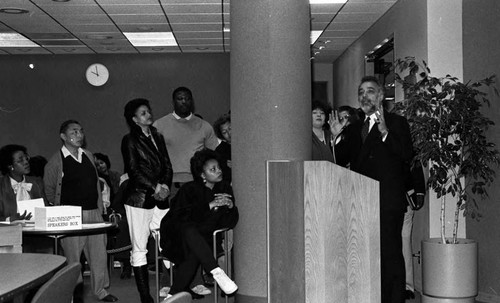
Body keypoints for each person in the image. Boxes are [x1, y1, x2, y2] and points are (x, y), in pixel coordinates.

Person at [331, 76, 413, 303]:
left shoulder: (397, 123)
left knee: (390, 255)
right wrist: (337, 137)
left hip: (387, 201)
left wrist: (385, 132)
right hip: (361, 201)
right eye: (361, 91)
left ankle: (394, 299)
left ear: (380, 96)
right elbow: (341, 161)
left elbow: (406, 155)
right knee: (365, 254)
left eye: (369, 91)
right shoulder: (355, 127)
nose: (364, 95)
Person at [44, 120, 118, 303]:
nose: (79, 135)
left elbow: (95, 185)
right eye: (74, 132)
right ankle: (75, 294)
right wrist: (62, 211)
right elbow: (50, 191)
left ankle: (101, 291)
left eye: (81, 131)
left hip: (94, 213)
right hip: (71, 216)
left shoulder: (88, 155)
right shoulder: (55, 162)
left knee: (99, 255)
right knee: (73, 259)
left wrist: (100, 210)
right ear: (63, 136)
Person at [160, 149, 238, 300]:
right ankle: (216, 271)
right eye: (213, 169)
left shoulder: (225, 189)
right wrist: (210, 205)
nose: (219, 171)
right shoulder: (189, 189)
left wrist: (230, 208)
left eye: (219, 168)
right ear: (202, 175)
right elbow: (180, 217)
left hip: (205, 239)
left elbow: (228, 223)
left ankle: (171, 295)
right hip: (177, 235)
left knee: (195, 250)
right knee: (189, 231)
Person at [121, 98, 173, 303]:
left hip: (161, 198)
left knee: (168, 240)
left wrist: (166, 186)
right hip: (139, 199)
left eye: (148, 111)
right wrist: (155, 187)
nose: (148, 114)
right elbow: (133, 171)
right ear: (134, 119)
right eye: (143, 113)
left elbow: (167, 165)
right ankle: (145, 296)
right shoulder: (129, 140)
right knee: (139, 247)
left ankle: (175, 285)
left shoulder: (158, 136)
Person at [153, 87, 219, 197]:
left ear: (192, 101)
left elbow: (214, 156)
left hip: (197, 182)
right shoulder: (159, 126)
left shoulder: (204, 126)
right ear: (173, 102)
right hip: (170, 184)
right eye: (180, 98)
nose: (184, 101)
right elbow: (152, 156)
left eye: (187, 98)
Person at [0, 144, 47, 221]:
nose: (26, 162)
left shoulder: (37, 182)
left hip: (35, 229)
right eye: (20, 160)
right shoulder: (1, 185)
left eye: (26, 158)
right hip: (8, 231)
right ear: (10, 166)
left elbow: (45, 209)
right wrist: (9, 219)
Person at [402, 160, 426, 300]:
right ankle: (406, 286)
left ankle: (406, 286)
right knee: (403, 242)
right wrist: (420, 192)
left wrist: (420, 193)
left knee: (404, 242)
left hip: (403, 201)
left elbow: (415, 164)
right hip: (397, 200)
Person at [213, 113, 232, 182]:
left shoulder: (245, 144)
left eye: (230, 128)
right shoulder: (220, 150)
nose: (229, 133)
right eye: (224, 132)